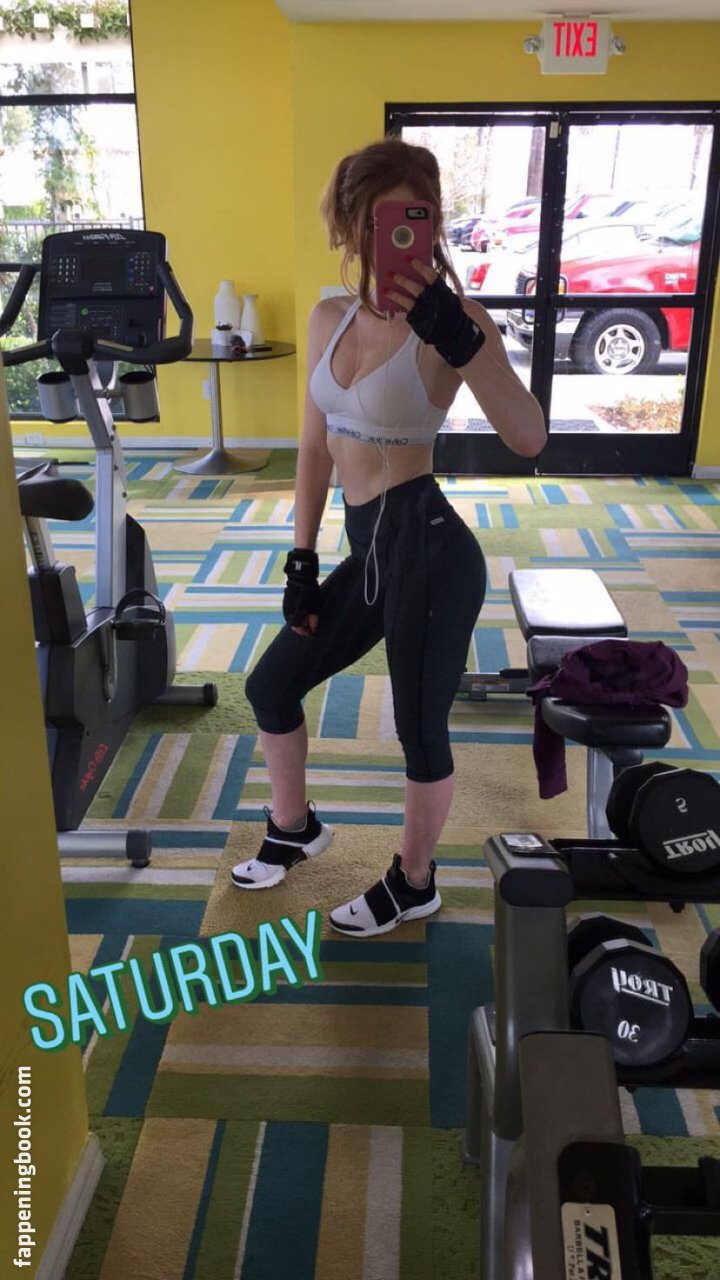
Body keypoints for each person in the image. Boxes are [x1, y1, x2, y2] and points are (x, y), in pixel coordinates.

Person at [232, 137, 546, 937]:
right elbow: (313, 449)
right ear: (351, 227)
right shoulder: (329, 317)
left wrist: (463, 341)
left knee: (419, 728)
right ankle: (294, 827)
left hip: (432, 554)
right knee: (270, 687)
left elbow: (529, 436)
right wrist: (301, 558)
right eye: (383, 221)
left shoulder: (455, 323)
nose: (404, 235)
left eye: (420, 216)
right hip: (366, 551)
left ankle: (414, 881)